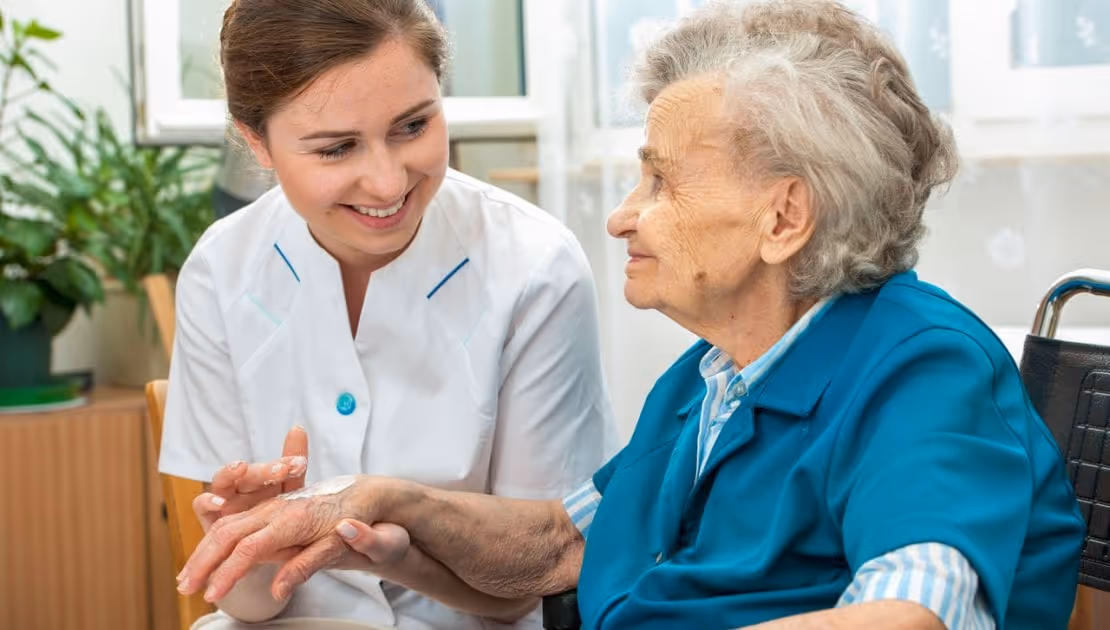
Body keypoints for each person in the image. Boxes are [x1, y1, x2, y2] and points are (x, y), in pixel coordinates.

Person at [175, 1, 1086, 628]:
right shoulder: (712, 378)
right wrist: (368, 505)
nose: (621, 215)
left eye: (659, 179)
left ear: (783, 218)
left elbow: (913, 609)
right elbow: (559, 546)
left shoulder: (921, 373)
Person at [159, 0, 618, 628]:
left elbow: (535, 579)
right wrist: (251, 548)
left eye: (412, 126)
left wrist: (405, 553)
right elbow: (244, 600)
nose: (386, 182)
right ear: (256, 142)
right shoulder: (223, 269)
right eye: (336, 148)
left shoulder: (535, 267)